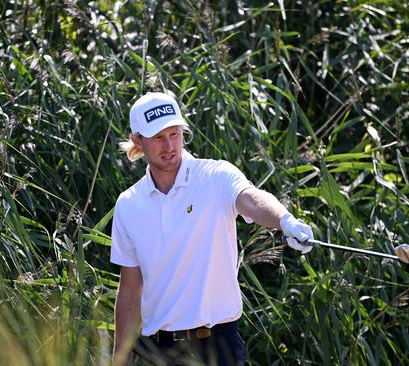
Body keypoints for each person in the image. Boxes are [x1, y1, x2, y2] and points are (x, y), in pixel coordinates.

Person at [110, 91, 314, 365]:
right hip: (159, 351)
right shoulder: (128, 205)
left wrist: (285, 220)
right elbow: (130, 290)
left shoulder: (215, 176)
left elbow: (252, 200)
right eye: (158, 137)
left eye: (175, 134)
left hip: (218, 347)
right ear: (138, 141)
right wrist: (118, 359)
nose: (169, 145)